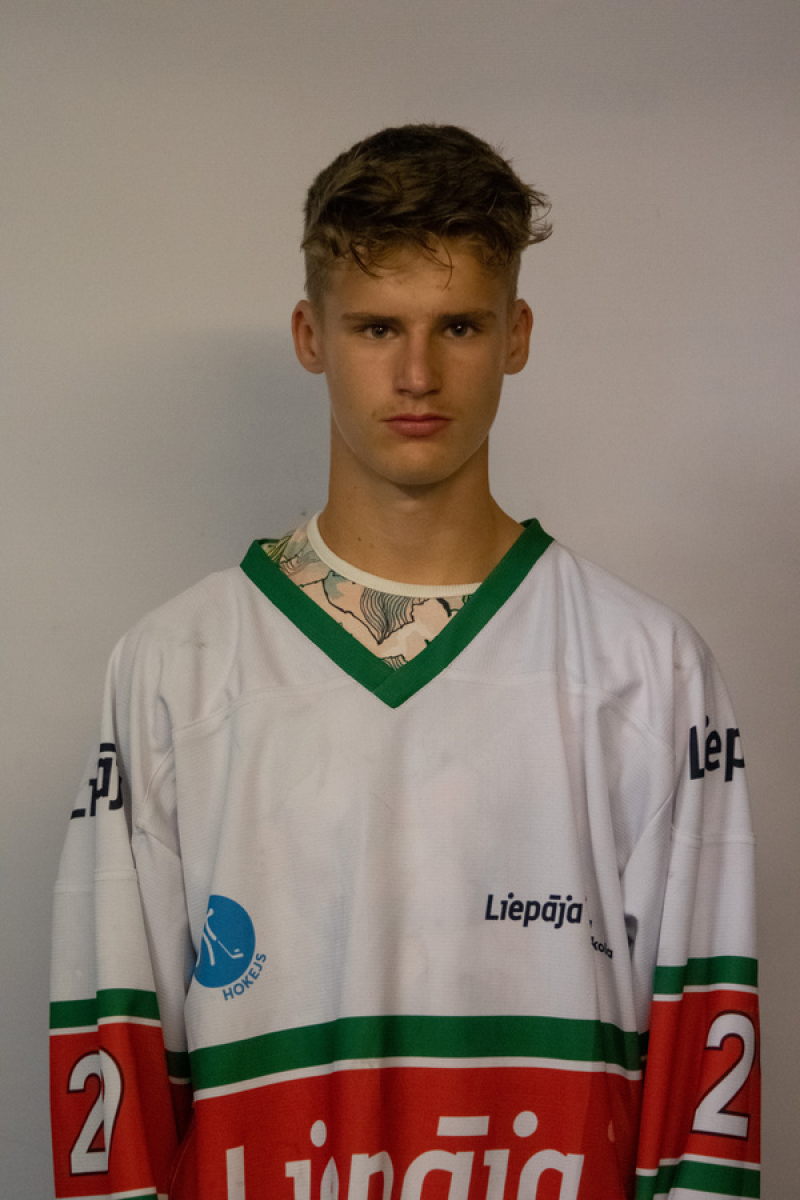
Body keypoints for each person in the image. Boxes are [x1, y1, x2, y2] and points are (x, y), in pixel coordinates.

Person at [50, 124, 760, 1200]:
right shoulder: (172, 670)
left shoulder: (647, 671)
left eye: (458, 325)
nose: (418, 374)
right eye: (377, 326)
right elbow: (111, 1062)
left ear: (516, 334)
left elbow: (706, 1083)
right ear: (311, 335)